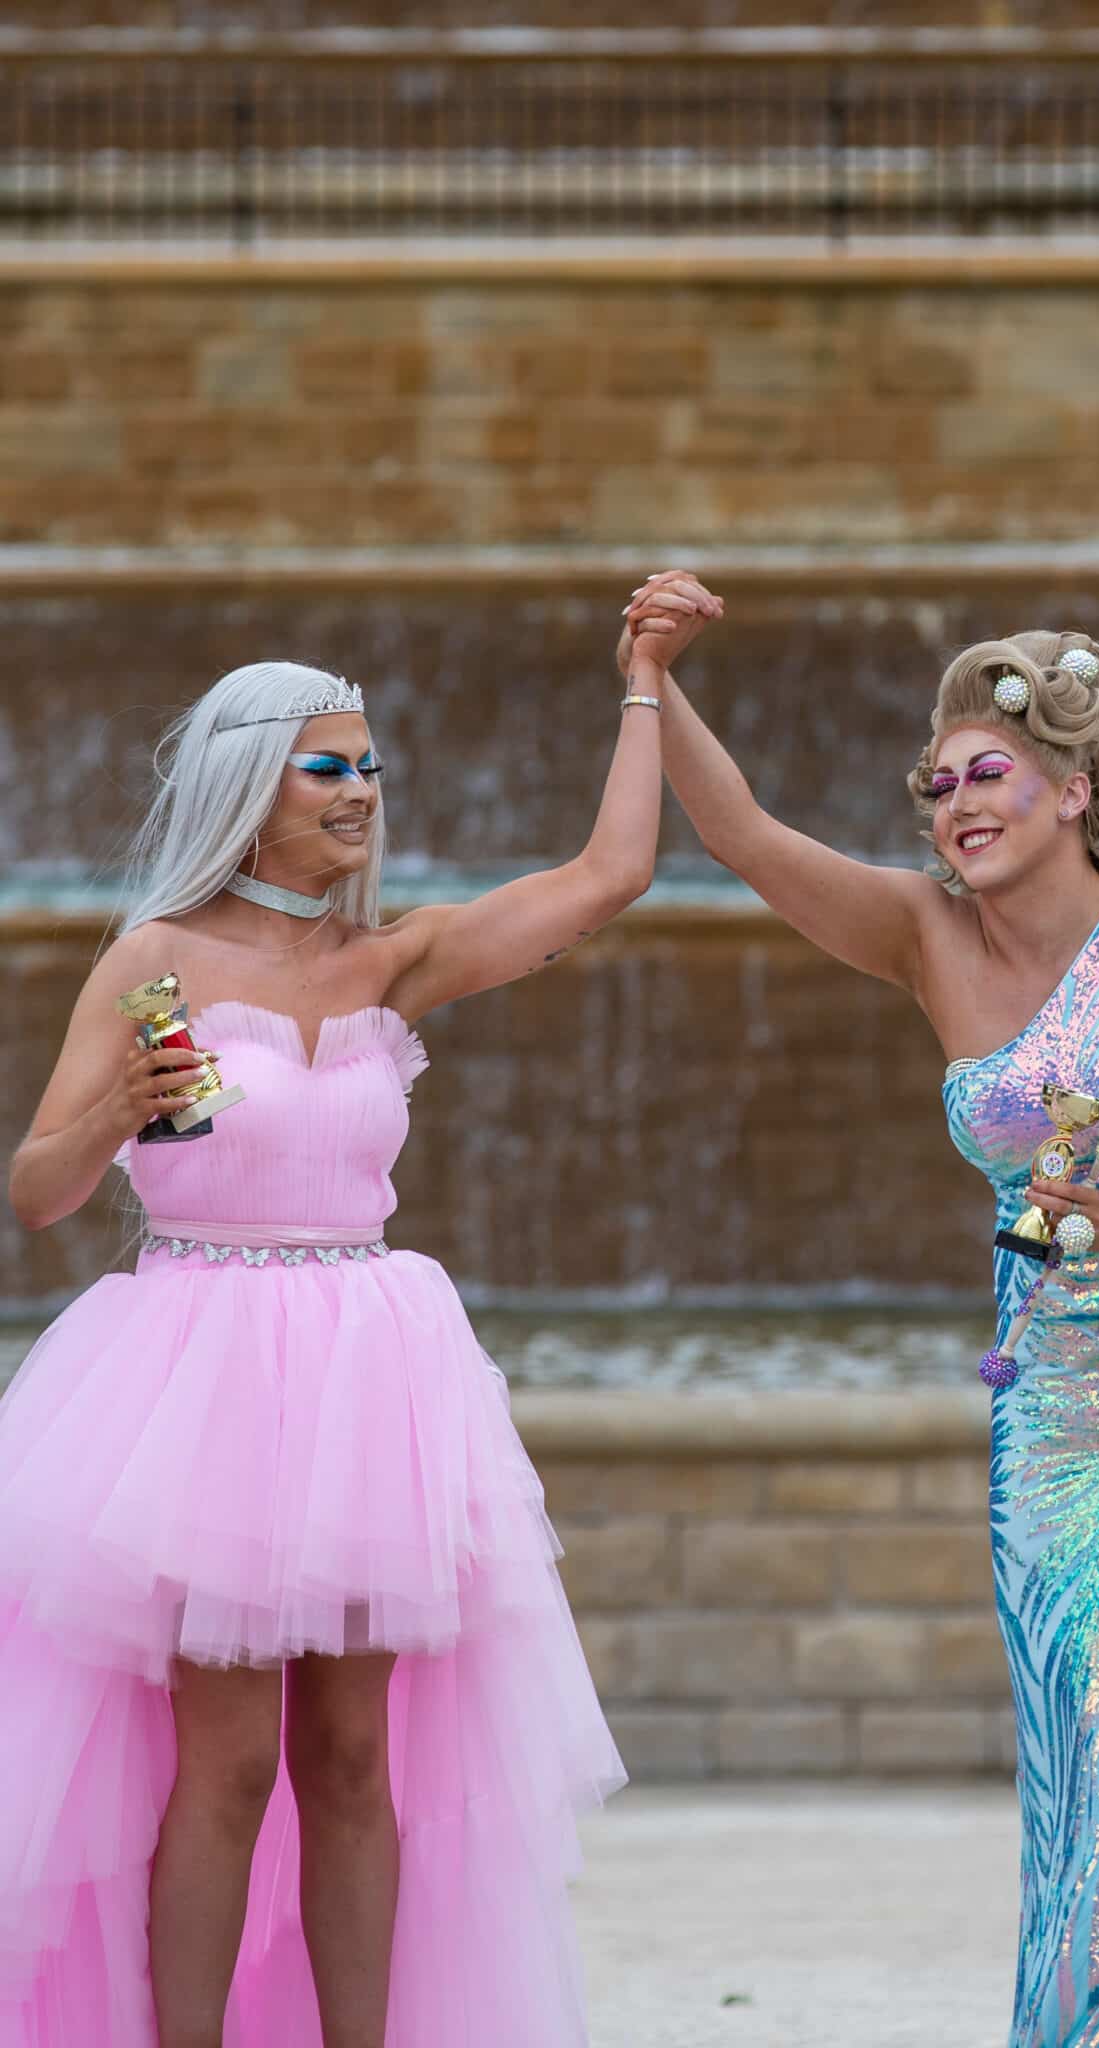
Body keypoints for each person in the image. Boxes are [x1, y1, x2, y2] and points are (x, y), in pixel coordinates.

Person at [619, 576, 1099, 2047]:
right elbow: (742, 836)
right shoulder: (921, 938)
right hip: (1047, 1388)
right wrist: (649, 674)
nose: (953, 802)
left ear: (1072, 790)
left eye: (985, 773)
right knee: (1071, 1741)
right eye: (934, 784)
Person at [0, 619, 715, 2045]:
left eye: (370, 766)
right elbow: (38, 1191)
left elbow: (608, 877)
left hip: (369, 1371)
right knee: (221, 1768)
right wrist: (119, 1106)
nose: (360, 789)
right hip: (199, 1374)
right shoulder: (158, 958)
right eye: (327, 765)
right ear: (251, 782)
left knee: (347, 1759)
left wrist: (648, 682)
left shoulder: (395, 959)